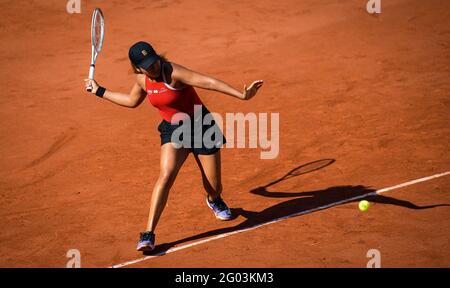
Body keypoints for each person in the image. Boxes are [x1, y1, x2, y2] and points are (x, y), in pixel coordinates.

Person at [84, 41, 264, 252]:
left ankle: (214, 199)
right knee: (166, 174)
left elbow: (209, 82)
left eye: (154, 61)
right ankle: (148, 233)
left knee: (214, 186)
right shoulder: (142, 80)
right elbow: (132, 101)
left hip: (201, 126)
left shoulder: (174, 72)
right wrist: (99, 91)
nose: (153, 67)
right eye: (147, 65)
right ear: (137, 68)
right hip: (173, 130)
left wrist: (242, 95)